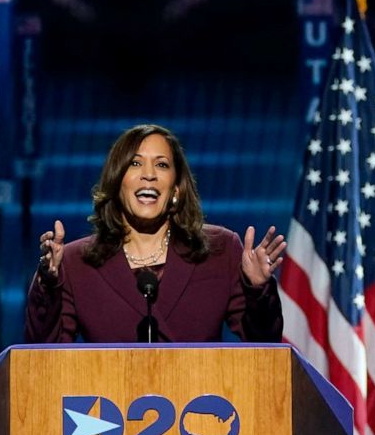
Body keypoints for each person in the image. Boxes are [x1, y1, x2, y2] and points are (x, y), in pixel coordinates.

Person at [24, 124, 285, 343]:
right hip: (111, 403)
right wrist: (48, 283)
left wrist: (258, 289)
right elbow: (44, 356)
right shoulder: (76, 262)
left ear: (176, 190)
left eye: (161, 165)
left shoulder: (220, 250)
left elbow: (263, 344)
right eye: (135, 163)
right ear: (117, 184)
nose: (148, 175)